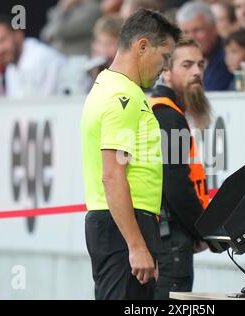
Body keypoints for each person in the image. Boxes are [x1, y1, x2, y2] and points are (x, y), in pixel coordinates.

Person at [81, 8, 181, 300]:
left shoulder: (110, 87)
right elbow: (113, 175)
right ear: (141, 46)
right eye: (164, 57)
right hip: (124, 226)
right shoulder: (121, 97)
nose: (165, 68)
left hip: (120, 224)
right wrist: (136, 245)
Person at [150, 37, 210, 300]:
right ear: (166, 71)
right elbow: (175, 183)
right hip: (170, 239)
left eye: (200, 64)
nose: (197, 71)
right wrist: (203, 230)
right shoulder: (168, 116)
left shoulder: (160, 110)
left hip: (162, 235)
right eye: (187, 65)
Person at [0, 15, 66, 97]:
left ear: (18, 34)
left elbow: (39, 107)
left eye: (2, 40)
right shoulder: (11, 66)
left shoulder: (39, 58)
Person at [176, 1, 233, 91]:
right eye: (186, 32)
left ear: (214, 28)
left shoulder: (230, 56)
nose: (191, 37)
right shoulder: (175, 62)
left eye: (197, 30)